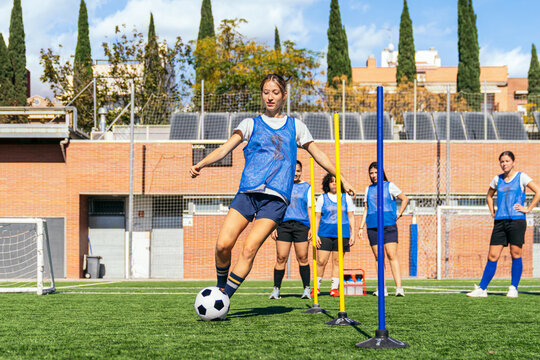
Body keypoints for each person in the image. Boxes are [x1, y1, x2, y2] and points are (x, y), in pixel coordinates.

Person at [190, 74, 356, 299]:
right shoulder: (250, 124)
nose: (270, 97)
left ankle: (223, 298)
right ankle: (220, 287)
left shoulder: (296, 126)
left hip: (276, 200)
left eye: (275, 93)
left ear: (284, 96)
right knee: (222, 245)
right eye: (266, 92)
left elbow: (319, 154)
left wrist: (342, 178)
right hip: (248, 193)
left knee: (249, 249)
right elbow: (224, 149)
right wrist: (200, 164)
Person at [467, 151, 539, 298]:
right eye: (502, 161)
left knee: (515, 253)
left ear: (513, 162)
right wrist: (492, 211)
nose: (504, 164)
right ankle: (482, 289)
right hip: (500, 222)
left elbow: (538, 191)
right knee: (492, 256)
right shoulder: (496, 179)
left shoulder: (522, 177)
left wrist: (528, 209)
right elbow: (488, 196)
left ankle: (513, 288)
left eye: (507, 161)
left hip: (517, 220)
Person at [358, 162, 409, 297]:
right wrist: (361, 227)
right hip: (372, 226)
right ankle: (382, 288)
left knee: (392, 255)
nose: (374, 175)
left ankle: (399, 288)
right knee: (378, 257)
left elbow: (404, 199)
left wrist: (399, 213)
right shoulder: (368, 189)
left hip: (388, 225)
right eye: (371, 173)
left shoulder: (390, 186)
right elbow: (366, 208)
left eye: (376, 172)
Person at [269, 160, 312, 300]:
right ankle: (276, 290)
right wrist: (273, 226)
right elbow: (275, 207)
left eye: (298, 171)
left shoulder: (307, 187)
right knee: (281, 257)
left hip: (301, 225)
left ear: (301, 171)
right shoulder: (281, 186)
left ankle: (306, 289)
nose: (296, 173)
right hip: (283, 226)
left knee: (303, 257)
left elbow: (310, 209)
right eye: (294, 170)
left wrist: (313, 228)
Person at [313, 173, 356, 297]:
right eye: (331, 181)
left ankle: (334, 288)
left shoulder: (346, 197)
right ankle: (317, 287)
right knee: (321, 261)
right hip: (324, 233)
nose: (334, 183)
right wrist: (315, 234)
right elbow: (317, 217)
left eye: (336, 181)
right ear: (327, 183)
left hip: (342, 234)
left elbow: (351, 216)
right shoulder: (322, 198)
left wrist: (352, 233)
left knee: (337, 261)